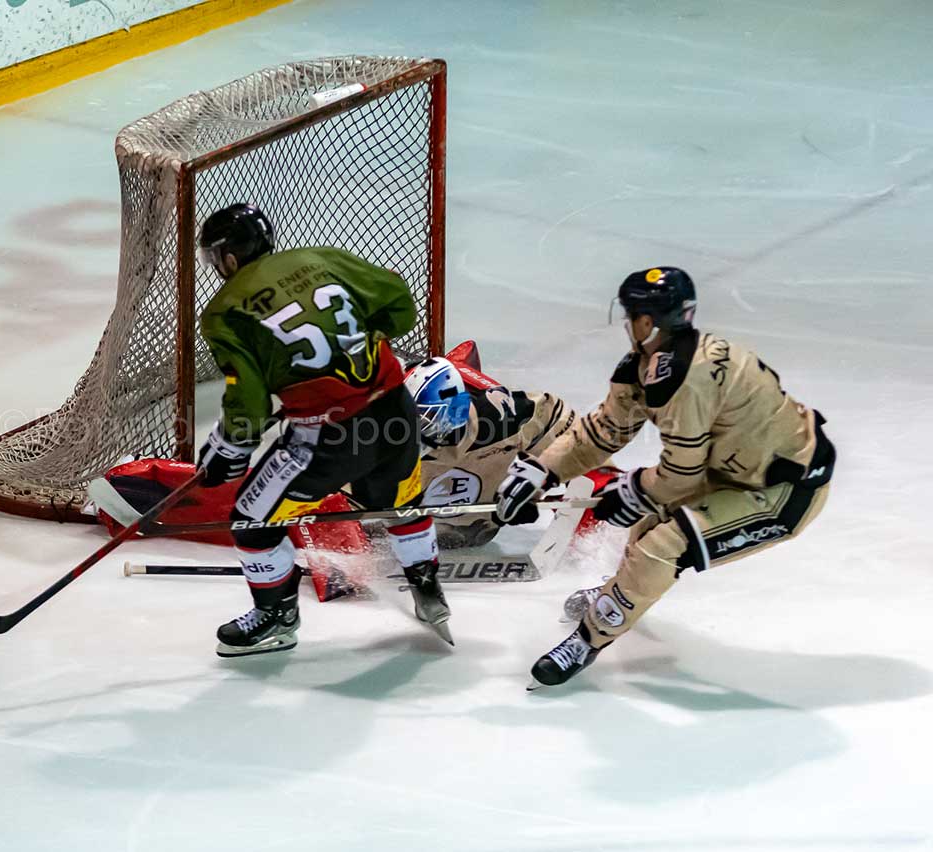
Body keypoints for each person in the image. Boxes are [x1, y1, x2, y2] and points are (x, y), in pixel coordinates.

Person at [495, 267, 835, 688]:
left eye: (632, 314)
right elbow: (604, 430)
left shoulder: (688, 379)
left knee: (665, 542)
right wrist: (542, 469)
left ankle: (589, 638)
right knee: (647, 527)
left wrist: (633, 489)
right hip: (734, 467)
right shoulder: (658, 363)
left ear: (647, 322)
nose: (627, 323)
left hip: (781, 490)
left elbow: (680, 473)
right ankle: (620, 594)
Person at [195, 202, 450, 657]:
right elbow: (397, 301)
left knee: (252, 520)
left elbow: (249, 402)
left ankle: (275, 619)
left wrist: (229, 448)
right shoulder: (319, 258)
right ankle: (428, 587)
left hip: (329, 438)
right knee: (398, 501)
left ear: (229, 258)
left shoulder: (224, 311)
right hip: (396, 410)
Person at [403, 352, 578, 548]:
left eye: (427, 418)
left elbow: (563, 421)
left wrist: (541, 476)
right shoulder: (384, 438)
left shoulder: (498, 417)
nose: (417, 430)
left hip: (476, 526)